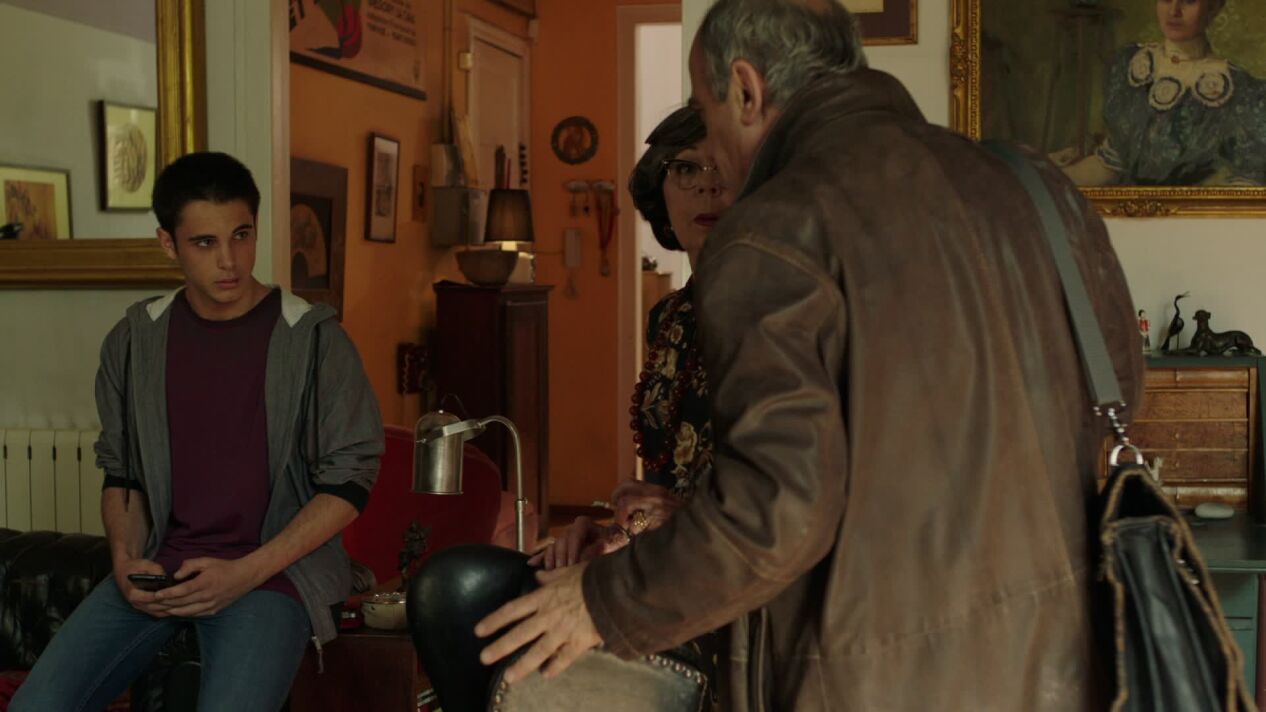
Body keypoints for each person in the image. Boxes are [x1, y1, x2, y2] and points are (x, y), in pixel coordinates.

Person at [475, 1, 1143, 709]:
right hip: (1065, 661)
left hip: (875, 678)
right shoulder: (1034, 184)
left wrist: (601, 602)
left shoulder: (773, 229)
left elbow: (776, 512)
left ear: (746, 90)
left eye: (706, 111)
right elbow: (1118, 391)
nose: (713, 155)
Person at [11, 152, 383, 712]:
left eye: (241, 235)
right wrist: (124, 559)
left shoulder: (314, 340)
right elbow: (123, 474)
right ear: (169, 244)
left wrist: (244, 574)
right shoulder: (135, 340)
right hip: (163, 568)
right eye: (205, 243)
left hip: (273, 575)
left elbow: (350, 483)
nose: (229, 261)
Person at [532, 106, 728, 703]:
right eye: (685, 169)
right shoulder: (669, 317)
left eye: (723, 168)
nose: (707, 186)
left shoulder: (783, 312)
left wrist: (656, 524)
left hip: (734, 576)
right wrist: (612, 530)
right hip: (662, 558)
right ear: (658, 190)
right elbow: (662, 488)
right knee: (473, 587)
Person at [1055, 0, 1266, 185]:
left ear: (1213, 8)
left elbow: (1247, 186)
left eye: (1189, 1)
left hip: (1192, 214)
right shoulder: (1131, 65)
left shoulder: (1237, 90)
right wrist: (1049, 179)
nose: (1174, 11)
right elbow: (1109, 164)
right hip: (1126, 213)